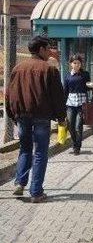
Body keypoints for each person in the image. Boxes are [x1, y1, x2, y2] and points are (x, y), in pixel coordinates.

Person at [6, 36, 66, 203]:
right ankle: (36, 192)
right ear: (41, 50)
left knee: (25, 149)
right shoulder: (49, 70)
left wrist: (13, 115)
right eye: (48, 49)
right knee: (40, 153)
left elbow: (9, 94)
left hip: (22, 116)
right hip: (41, 117)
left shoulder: (17, 69)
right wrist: (61, 118)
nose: (49, 52)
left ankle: (20, 182)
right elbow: (57, 97)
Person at [63, 54, 93, 155]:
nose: (77, 65)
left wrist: (91, 85)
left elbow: (88, 87)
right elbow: (65, 91)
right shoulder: (67, 75)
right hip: (70, 103)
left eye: (79, 63)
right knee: (70, 126)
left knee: (78, 126)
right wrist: (63, 105)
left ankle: (77, 147)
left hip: (81, 103)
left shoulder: (85, 74)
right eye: (75, 63)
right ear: (71, 64)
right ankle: (75, 143)